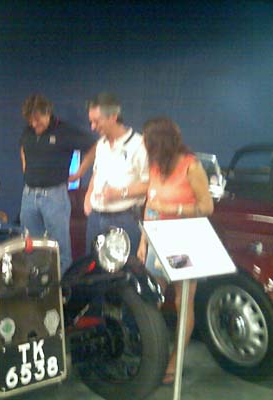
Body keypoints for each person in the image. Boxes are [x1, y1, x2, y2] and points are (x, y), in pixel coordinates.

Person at [136, 116, 214, 385]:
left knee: (183, 302)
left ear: (160, 141)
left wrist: (175, 209)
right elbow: (150, 203)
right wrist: (143, 240)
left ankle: (175, 360)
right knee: (152, 298)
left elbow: (207, 207)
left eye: (147, 141)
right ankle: (153, 351)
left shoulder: (191, 166)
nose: (145, 146)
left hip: (184, 241)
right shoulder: (156, 165)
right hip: (157, 239)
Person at [19, 94, 96, 273]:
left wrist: (80, 172)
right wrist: (26, 168)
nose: (34, 124)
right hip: (28, 196)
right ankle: (36, 282)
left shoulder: (64, 130)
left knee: (59, 248)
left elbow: (94, 146)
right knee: (30, 246)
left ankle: (61, 286)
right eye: (30, 120)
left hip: (54, 197)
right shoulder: (28, 131)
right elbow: (22, 147)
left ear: (47, 113)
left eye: (37, 119)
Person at [84, 93, 149, 255]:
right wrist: (88, 196)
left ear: (113, 117)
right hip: (95, 218)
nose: (92, 127)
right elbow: (96, 172)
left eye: (96, 121)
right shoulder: (101, 144)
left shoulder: (139, 145)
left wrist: (120, 193)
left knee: (124, 269)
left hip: (124, 219)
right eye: (91, 122)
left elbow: (150, 184)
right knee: (92, 266)